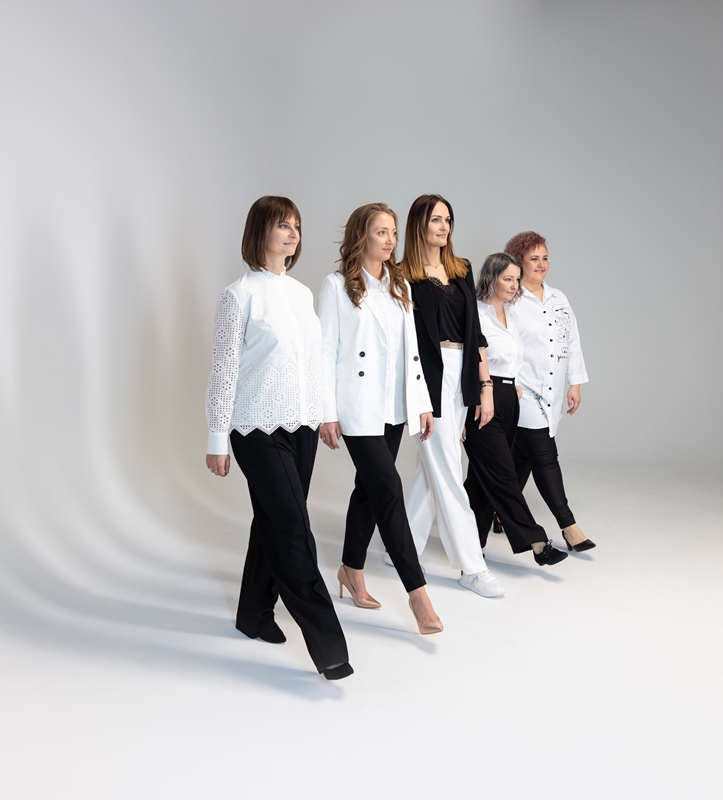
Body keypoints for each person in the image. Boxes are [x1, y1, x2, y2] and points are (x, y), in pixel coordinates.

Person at [205, 196, 353, 680]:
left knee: (273, 520)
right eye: (282, 225)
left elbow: (316, 363)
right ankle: (330, 647)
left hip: (302, 427)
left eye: (296, 226)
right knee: (293, 529)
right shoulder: (239, 294)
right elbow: (224, 370)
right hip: (254, 428)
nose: (292, 234)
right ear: (260, 232)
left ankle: (253, 613)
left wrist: (325, 415)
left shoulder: (302, 294)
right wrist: (217, 437)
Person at [318, 203, 443, 634]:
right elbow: (324, 352)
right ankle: (418, 594)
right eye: (380, 232)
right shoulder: (336, 286)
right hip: (356, 407)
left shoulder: (399, 285)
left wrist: (422, 403)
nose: (390, 240)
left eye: (393, 233)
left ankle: (350, 569)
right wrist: (326, 413)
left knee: (369, 492)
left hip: (393, 406)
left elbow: (412, 353)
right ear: (361, 236)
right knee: (388, 488)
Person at [393, 194, 505, 598]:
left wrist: (485, 387)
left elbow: (476, 334)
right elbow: (404, 340)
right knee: (447, 467)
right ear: (418, 224)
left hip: (463, 375)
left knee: (433, 466)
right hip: (428, 374)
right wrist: (416, 390)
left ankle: (401, 546)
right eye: (436, 219)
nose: (444, 227)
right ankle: (471, 566)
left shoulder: (461, 269)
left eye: (448, 220)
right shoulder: (401, 276)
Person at [463, 253, 569, 565]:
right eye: (507, 279)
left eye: (516, 279)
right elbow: (469, 361)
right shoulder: (476, 313)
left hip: (510, 398)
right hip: (483, 398)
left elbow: (518, 357)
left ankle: (471, 544)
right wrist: (472, 401)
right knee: (504, 474)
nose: (514, 285)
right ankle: (536, 541)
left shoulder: (511, 312)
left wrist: (515, 385)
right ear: (491, 278)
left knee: (482, 479)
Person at [502, 230, 595, 552]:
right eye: (534, 258)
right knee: (544, 454)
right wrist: (509, 384)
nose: (541, 264)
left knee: (522, 456)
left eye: (545, 258)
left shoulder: (558, 298)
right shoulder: (510, 300)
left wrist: (575, 383)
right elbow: (500, 344)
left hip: (553, 392)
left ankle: (499, 510)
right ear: (518, 262)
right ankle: (569, 526)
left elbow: (572, 340)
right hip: (523, 391)